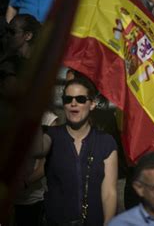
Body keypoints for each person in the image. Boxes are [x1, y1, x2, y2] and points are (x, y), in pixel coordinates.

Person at [37, 77, 118, 225]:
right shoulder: (52, 135)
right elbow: (38, 150)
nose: (73, 103)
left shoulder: (106, 142)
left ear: (92, 104)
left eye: (80, 99)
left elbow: (109, 192)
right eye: (68, 99)